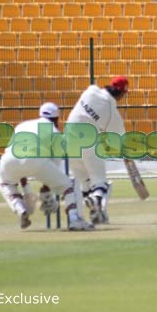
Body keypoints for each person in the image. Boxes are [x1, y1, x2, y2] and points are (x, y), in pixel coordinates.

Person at [0, 102, 94, 231]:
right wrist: (46, 189)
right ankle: (75, 220)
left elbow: (16, 155)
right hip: (36, 160)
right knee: (69, 186)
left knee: (6, 183)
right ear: (56, 118)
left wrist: (24, 183)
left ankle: (19, 208)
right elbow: (56, 163)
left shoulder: (22, 125)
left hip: (8, 160)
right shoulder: (54, 132)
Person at [67, 76, 128, 224]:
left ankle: (95, 215)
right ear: (122, 94)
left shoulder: (91, 90)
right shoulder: (112, 112)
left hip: (68, 142)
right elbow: (118, 141)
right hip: (89, 142)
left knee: (85, 184)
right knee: (102, 184)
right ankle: (96, 200)